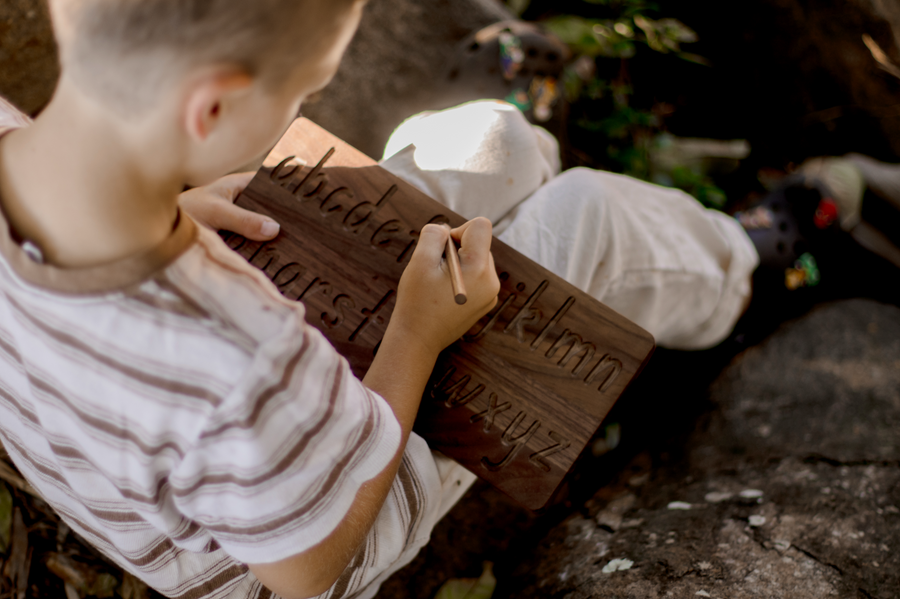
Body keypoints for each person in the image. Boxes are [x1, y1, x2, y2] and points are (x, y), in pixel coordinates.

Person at [0, 2, 499, 599]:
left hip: (128, 495)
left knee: (504, 150)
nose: (304, 103)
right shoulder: (240, 348)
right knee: (594, 218)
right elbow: (305, 575)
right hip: (280, 549)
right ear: (211, 109)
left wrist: (172, 209)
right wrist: (417, 334)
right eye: (306, 90)